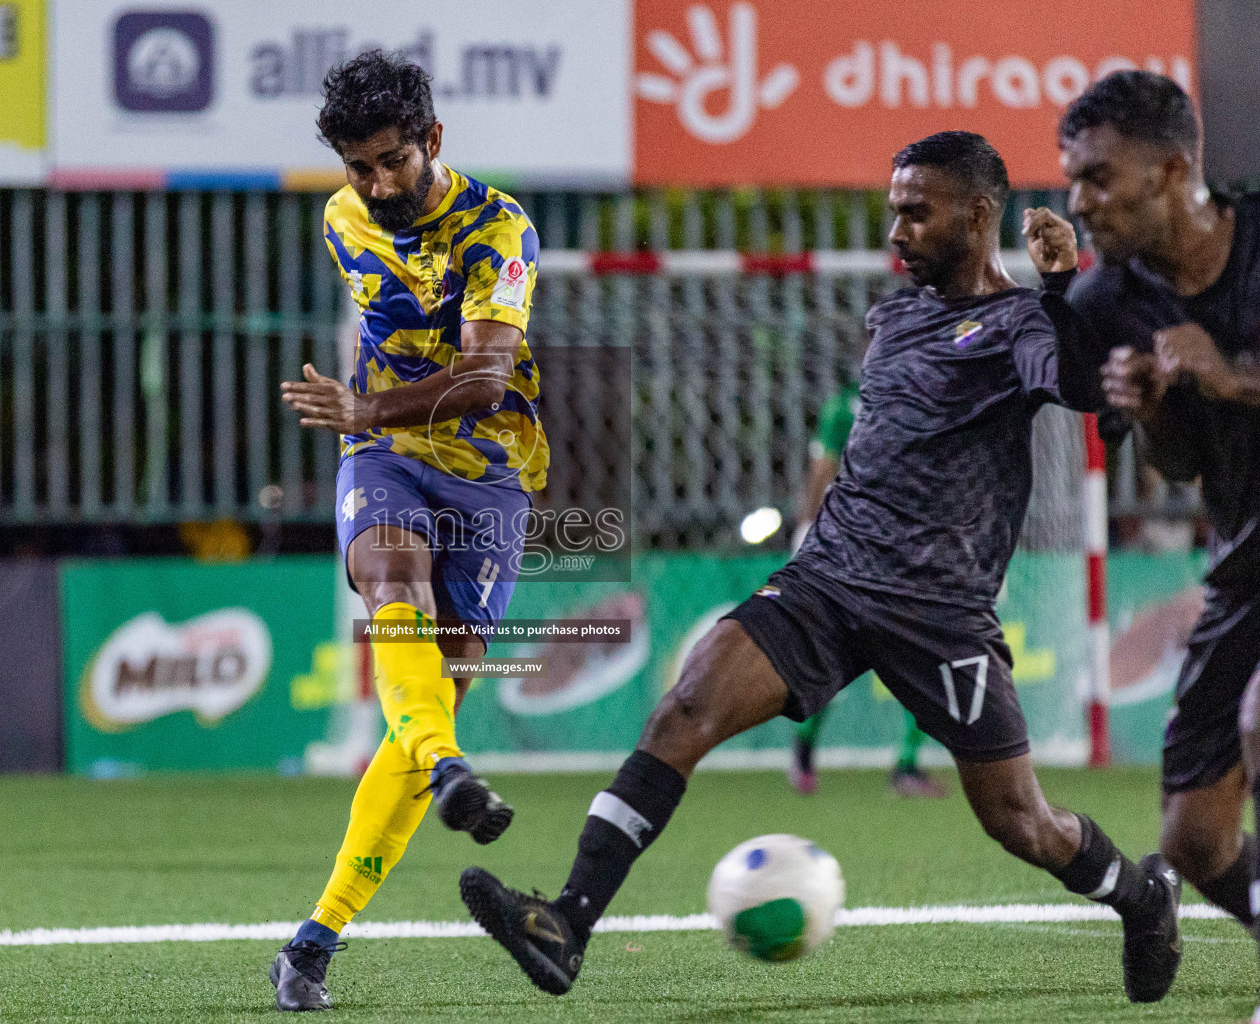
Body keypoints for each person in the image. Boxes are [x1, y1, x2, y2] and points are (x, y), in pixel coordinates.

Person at [460, 131, 1182, 1005]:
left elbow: (1076, 385)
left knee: (1020, 822)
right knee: (683, 710)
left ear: (979, 214)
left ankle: (1142, 900)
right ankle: (567, 921)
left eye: (917, 212)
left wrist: (1066, 285)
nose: (897, 230)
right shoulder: (894, 316)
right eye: (893, 212)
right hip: (829, 580)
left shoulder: (1019, 324)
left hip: (938, 611)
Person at [270, 50, 545, 1011]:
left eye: (392, 161)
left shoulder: (501, 228)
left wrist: (364, 411)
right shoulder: (341, 215)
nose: (377, 186)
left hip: (489, 471)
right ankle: (448, 767)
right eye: (358, 167)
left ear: (433, 140)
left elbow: (483, 380)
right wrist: (370, 426)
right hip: (384, 457)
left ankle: (315, 937)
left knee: (436, 684)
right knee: (394, 591)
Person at [1054, 70, 1260, 1005]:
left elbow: (1230, 379)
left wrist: (1235, 375)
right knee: (1193, 840)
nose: (1077, 200)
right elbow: (1182, 469)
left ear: (1173, 169)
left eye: (1098, 178)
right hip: (1246, 558)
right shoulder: (1107, 304)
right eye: (1072, 177)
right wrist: (1156, 413)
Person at [790, 381, 945, 798]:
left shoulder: (856, 404)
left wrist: (805, 531)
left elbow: (823, 468)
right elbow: (824, 469)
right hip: (861, 544)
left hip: (883, 544)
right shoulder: (893, 401)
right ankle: (898, 766)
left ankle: (902, 764)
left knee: (852, 653)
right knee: (916, 652)